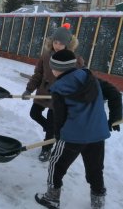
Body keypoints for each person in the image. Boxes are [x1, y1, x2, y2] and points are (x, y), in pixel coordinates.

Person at [35, 49, 122, 209]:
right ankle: (98, 201)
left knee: (56, 164)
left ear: (58, 69)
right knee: (95, 168)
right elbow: (115, 93)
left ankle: (52, 198)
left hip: (72, 137)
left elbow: (59, 118)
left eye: (52, 67)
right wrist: (115, 118)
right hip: (97, 134)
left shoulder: (59, 88)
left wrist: (59, 134)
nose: (51, 70)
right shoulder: (91, 79)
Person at [21, 25, 84, 162]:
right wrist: (29, 89)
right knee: (34, 113)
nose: (57, 45)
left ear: (67, 44)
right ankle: (51, 130)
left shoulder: (72, 59)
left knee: (51, 124)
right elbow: (38, 74)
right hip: (43, 92)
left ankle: (46, 149)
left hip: (58, 98)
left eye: (61, 43)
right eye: (55, 42)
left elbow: (79, 79)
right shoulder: (46, 56)